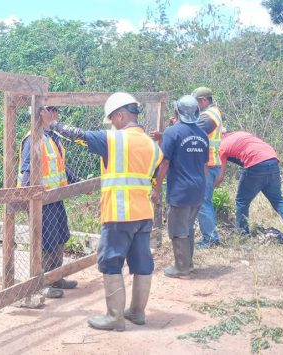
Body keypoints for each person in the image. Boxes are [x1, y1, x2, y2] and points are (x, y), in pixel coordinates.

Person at [50, 92, 163, 331]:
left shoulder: (114, 140)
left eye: (112, 119)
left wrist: (52, 123)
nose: (111, 124)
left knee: (110, 261)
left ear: (120, 115)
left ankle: (114, 317)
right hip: (144, 214)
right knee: (142, 261)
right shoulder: (152, 146)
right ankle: (137, 312)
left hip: (119, 213)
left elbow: (77, 135)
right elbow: (154, 173)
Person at [19, 105, 80, 299]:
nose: (56, 114)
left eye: (56, 110)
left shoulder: (52, 136)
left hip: (56, 197)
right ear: (40, 114)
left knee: (60, 236)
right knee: (44, 241)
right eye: (51, 110)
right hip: (41, 201)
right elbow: (27, 172)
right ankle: (41, 282)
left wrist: (78, 182)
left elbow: (61, 166)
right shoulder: (33, 139)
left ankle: (56, 276)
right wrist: (28, 200)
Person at [151, 95, 209, 279]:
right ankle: (188, 265)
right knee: (188, 226)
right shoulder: (202, 135)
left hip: (181, 190)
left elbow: (164, 163)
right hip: (199, 188)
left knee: (178, 228)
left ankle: (181, 269)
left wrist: (156, 187)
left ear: (177, 112)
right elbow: (205, 166)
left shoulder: (172, 132)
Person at [215, 130, 283, 243]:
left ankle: (242, 234)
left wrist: (213, 186)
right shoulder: (240, 134)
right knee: (277, 199)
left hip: (255, 164)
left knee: (242, 201)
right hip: (272, 160)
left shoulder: (220, 145)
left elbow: (220, 175)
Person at [193, 87, 224, 248]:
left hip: (208, 165)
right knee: (205, 202)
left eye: (196, 103)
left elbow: (191, 131)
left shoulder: (208, 116)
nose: (194, 107)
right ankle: (211, 237)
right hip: (211, 164)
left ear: (204, 101)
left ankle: (211, 239)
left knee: (203, 202)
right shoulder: (212, 113)